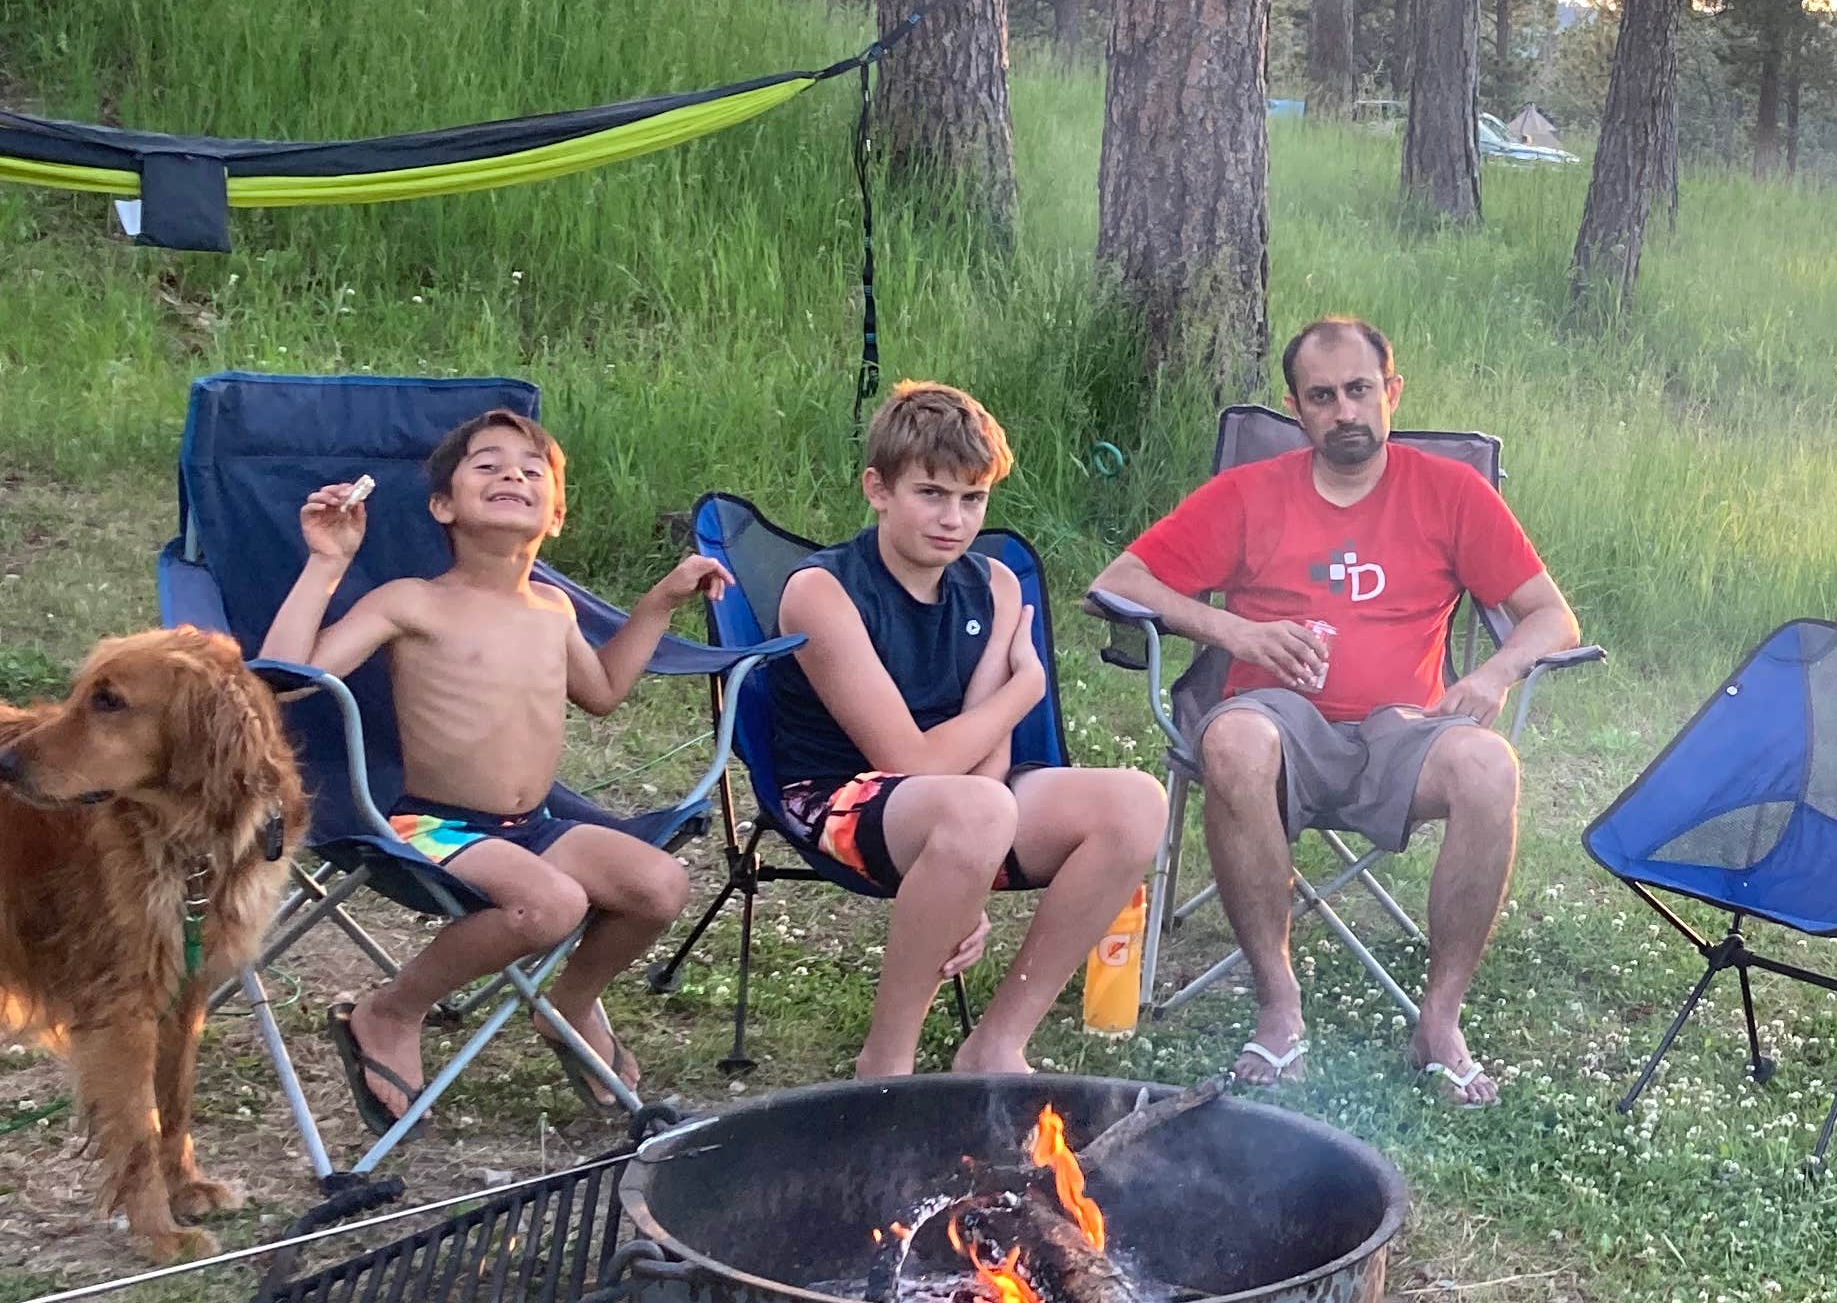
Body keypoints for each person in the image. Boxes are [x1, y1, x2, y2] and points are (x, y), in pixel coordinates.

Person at [1094, 316, 1577, 1105]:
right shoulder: (1249, 494)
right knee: (1237, 742)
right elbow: (1122, 580)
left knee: (1490, 766)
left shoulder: (1451, 492)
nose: (1344, 411)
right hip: (1279, 724)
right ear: (1296, 407)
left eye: (1359, 390)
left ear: (1392, 392)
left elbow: (1551, 617)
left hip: (1404, 732)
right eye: (1322, 397)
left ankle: (1439, 1021)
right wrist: (1235, 628)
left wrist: (1494, 673)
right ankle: (1279, 1009)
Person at [265, 409, 727, 1124]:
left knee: (659, 884)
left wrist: (659, 603)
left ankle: (568, 1002)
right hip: (433, 827)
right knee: (551, 903)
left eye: (531, 468)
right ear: (443, 506)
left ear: (557, 513)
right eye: (486, 464)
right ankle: (392, 1010)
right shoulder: (412, 602)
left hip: (534, 826)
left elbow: (602, 693)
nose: (512, 473)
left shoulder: (554, 609)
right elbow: (288, 680)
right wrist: (328, 564)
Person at [766, 381, 1174, 1079]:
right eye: (931, 493)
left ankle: (995, 1044)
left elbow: (989, 759)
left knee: (1138, 802)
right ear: (878, 489)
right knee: (976, 807)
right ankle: (885, 1066)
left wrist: (975, 865)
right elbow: (906, 759)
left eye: (973, 498)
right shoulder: (821, 592)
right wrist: (1028, 686)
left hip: (958, 799)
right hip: (840, 795)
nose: (953, 519)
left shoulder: (993, 583)